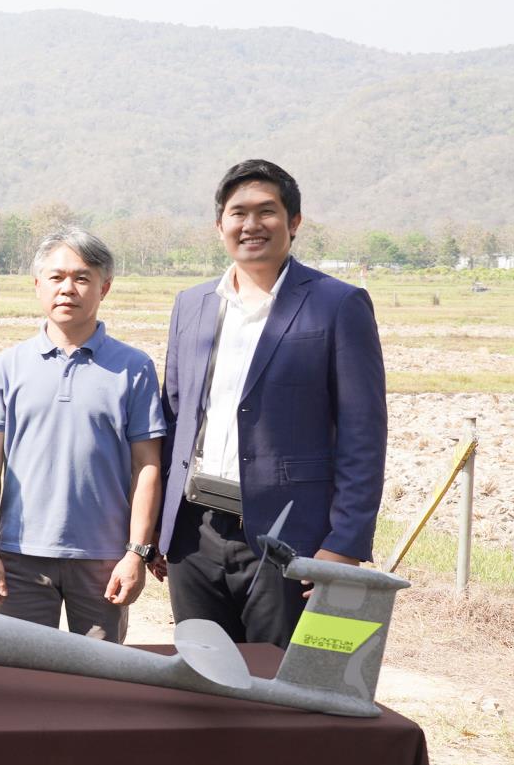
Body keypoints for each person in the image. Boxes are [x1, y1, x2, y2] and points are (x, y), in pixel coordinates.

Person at [157, 160, 386, 646]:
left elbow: (363, 434)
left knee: (278, 679)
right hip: (194, 536)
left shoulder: (337, 304)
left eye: (267, 211)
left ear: (294, 222)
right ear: (220, 225)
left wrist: (344, 545)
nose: (251, 224)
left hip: (289, 539)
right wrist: (161, 527)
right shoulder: (192, 304)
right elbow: (174, 418)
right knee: (203, 674)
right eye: (238, 213)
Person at [0, 230, 165, 642]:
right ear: (37, 285)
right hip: (21, 556)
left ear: (104, 288)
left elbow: (146, 465)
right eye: (56, 277)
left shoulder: (134, 368)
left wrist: (135, 553)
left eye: (82, 278)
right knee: (21, 670)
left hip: (104, 561)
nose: (68, 289)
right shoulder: (9, 366)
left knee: (97, 673)